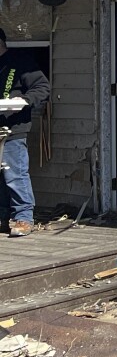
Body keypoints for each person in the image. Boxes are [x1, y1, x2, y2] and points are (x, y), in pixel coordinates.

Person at [0, 28, 50, 237]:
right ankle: (4, 216)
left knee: (14, 174)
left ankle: (24, 217)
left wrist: (23, 101)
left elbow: (42, 88)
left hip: (12, 128)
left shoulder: (20, 61)